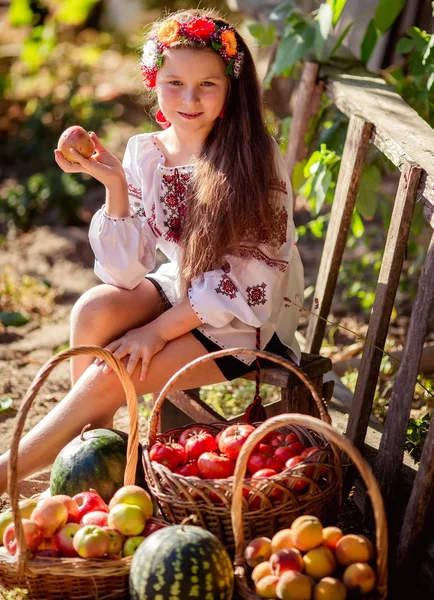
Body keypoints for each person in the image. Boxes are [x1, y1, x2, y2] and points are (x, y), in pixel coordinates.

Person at [0, 8, 304, 494]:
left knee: (109, 376)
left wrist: (156, 332)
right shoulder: (147, 153)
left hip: (243, 317)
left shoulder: (252, 157)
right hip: (184, 287)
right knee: (94, 308)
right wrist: (115, 184)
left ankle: (9, 474)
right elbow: (123, 274)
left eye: (208, 84)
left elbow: (251, 284)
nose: (189, 98)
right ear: (153, 79)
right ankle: (93, 472)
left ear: (230, 90)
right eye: (175, 82)